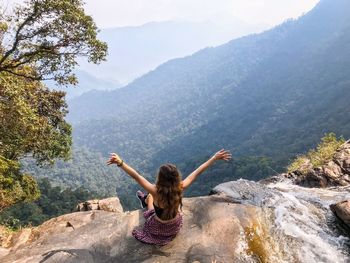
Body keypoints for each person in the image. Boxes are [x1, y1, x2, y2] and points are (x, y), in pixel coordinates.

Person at [107, 149, 231, 246]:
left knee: (150, 199)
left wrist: (120, 162)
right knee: (151, 199)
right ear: (176, 178)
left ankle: (145, 200)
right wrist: (214, 158)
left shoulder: (155, 191)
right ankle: (145, 201)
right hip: (174, 226)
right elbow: (197, 172)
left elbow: (136, 176)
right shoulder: (180, 187)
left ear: (160, 178)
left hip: (156, 227)